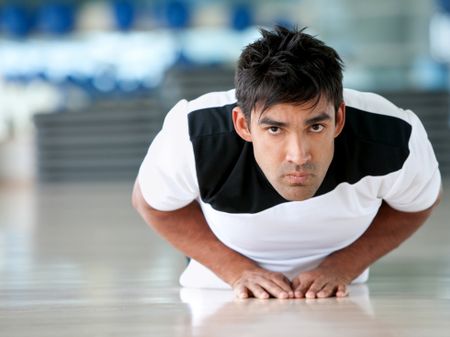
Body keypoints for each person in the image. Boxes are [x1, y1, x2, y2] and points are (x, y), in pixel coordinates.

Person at [132, 26, 442, 300]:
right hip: (218, 293)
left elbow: (418, 203)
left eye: (315, 127)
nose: (298, 155)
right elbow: (151, 204)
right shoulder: (194, 137)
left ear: (339, 118)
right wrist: (235, 270)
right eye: (275, 129)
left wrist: (344, 266)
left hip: (342, 296)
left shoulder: (394, 136)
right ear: (243, 125)